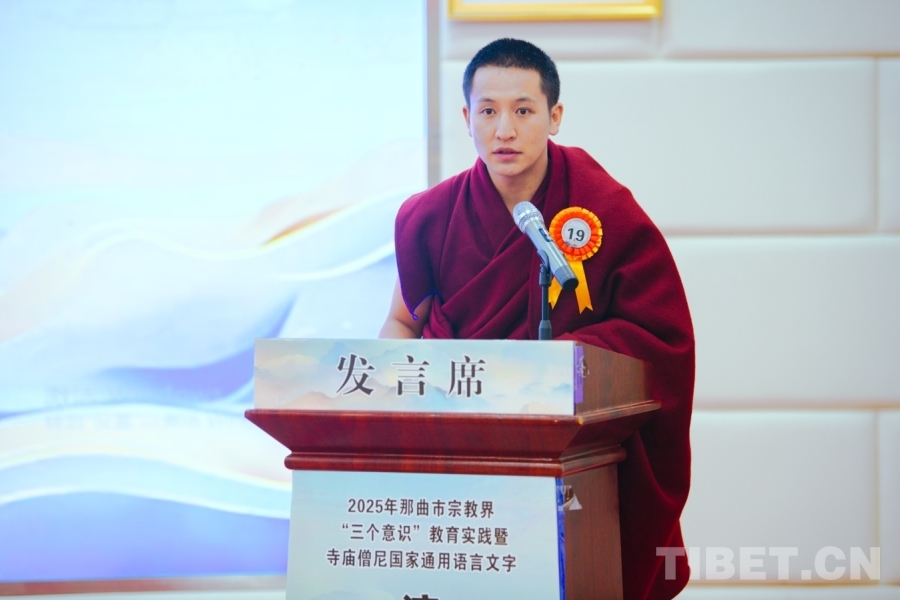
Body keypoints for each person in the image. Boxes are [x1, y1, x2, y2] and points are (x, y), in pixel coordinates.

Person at [380, 38, 694, 600]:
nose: (505, 130)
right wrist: (392, 410)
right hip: (458, 450)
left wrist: (563, 361)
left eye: (523, 110)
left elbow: (662, 338)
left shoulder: (601, 207)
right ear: (467, 119)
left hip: (566, 457)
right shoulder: (431, 215)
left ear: (554, 117)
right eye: (488, 111)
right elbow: (403, 324)